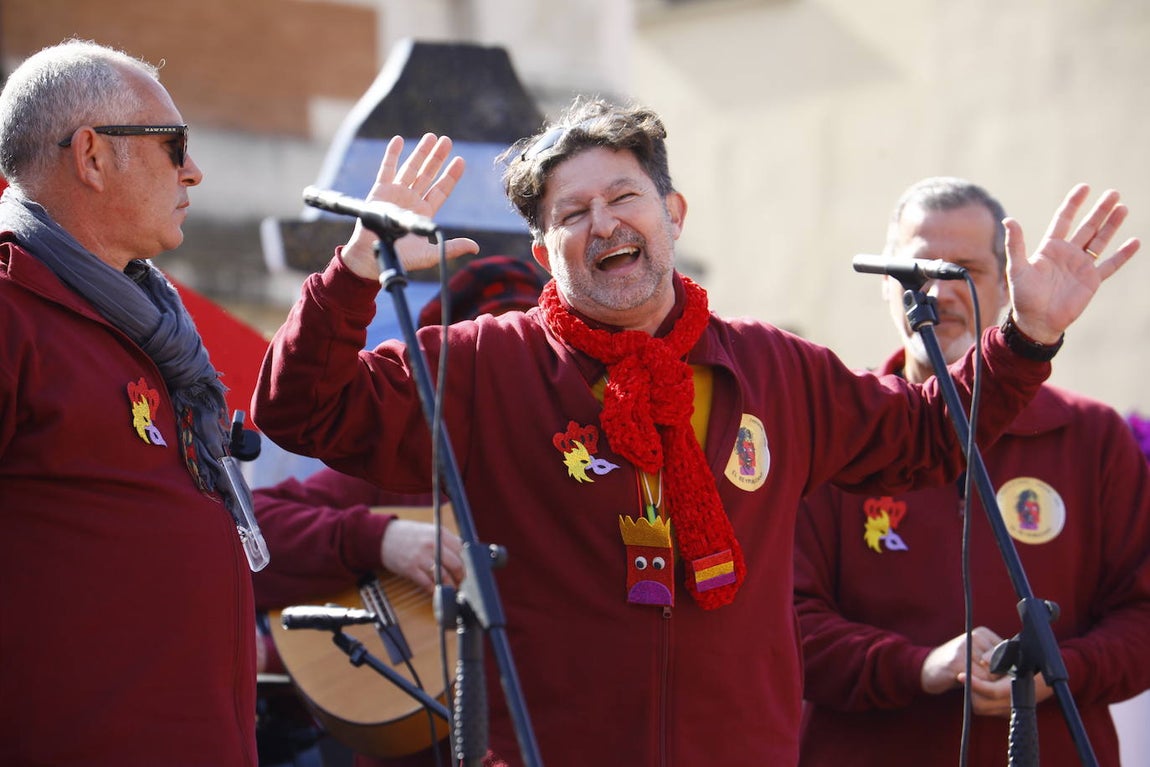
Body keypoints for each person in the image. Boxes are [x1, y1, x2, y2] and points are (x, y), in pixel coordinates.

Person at [250, 97, 1139, 766]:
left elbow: (928, 438)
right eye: (571, 213)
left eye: (624, 196)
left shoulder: (777, 368)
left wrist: (1028, 337)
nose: (603, 223)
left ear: (673, 217)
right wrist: (357, 270)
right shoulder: (482, 365)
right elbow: (304, 410)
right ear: (542, 253)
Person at [793, 177, 1150, 766]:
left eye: (963, 270)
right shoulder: (833, 431)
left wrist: (1053, 675)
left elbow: (1142, 618)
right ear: (886, 286)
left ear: (1009, 284)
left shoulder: (1092, 438)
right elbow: (783, 623)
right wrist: (922, 667)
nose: (936, 290)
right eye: (914, 271)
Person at [0, 40, 257, 764]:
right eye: (173, 144)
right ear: (91, 155)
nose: (194, 170)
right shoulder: (12, 308)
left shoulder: (145, 324)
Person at [253, 255, 546, 767]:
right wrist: (377, 539)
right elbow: (245, 536)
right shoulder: (404, 467)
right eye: (484, 370)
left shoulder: (589, 478)